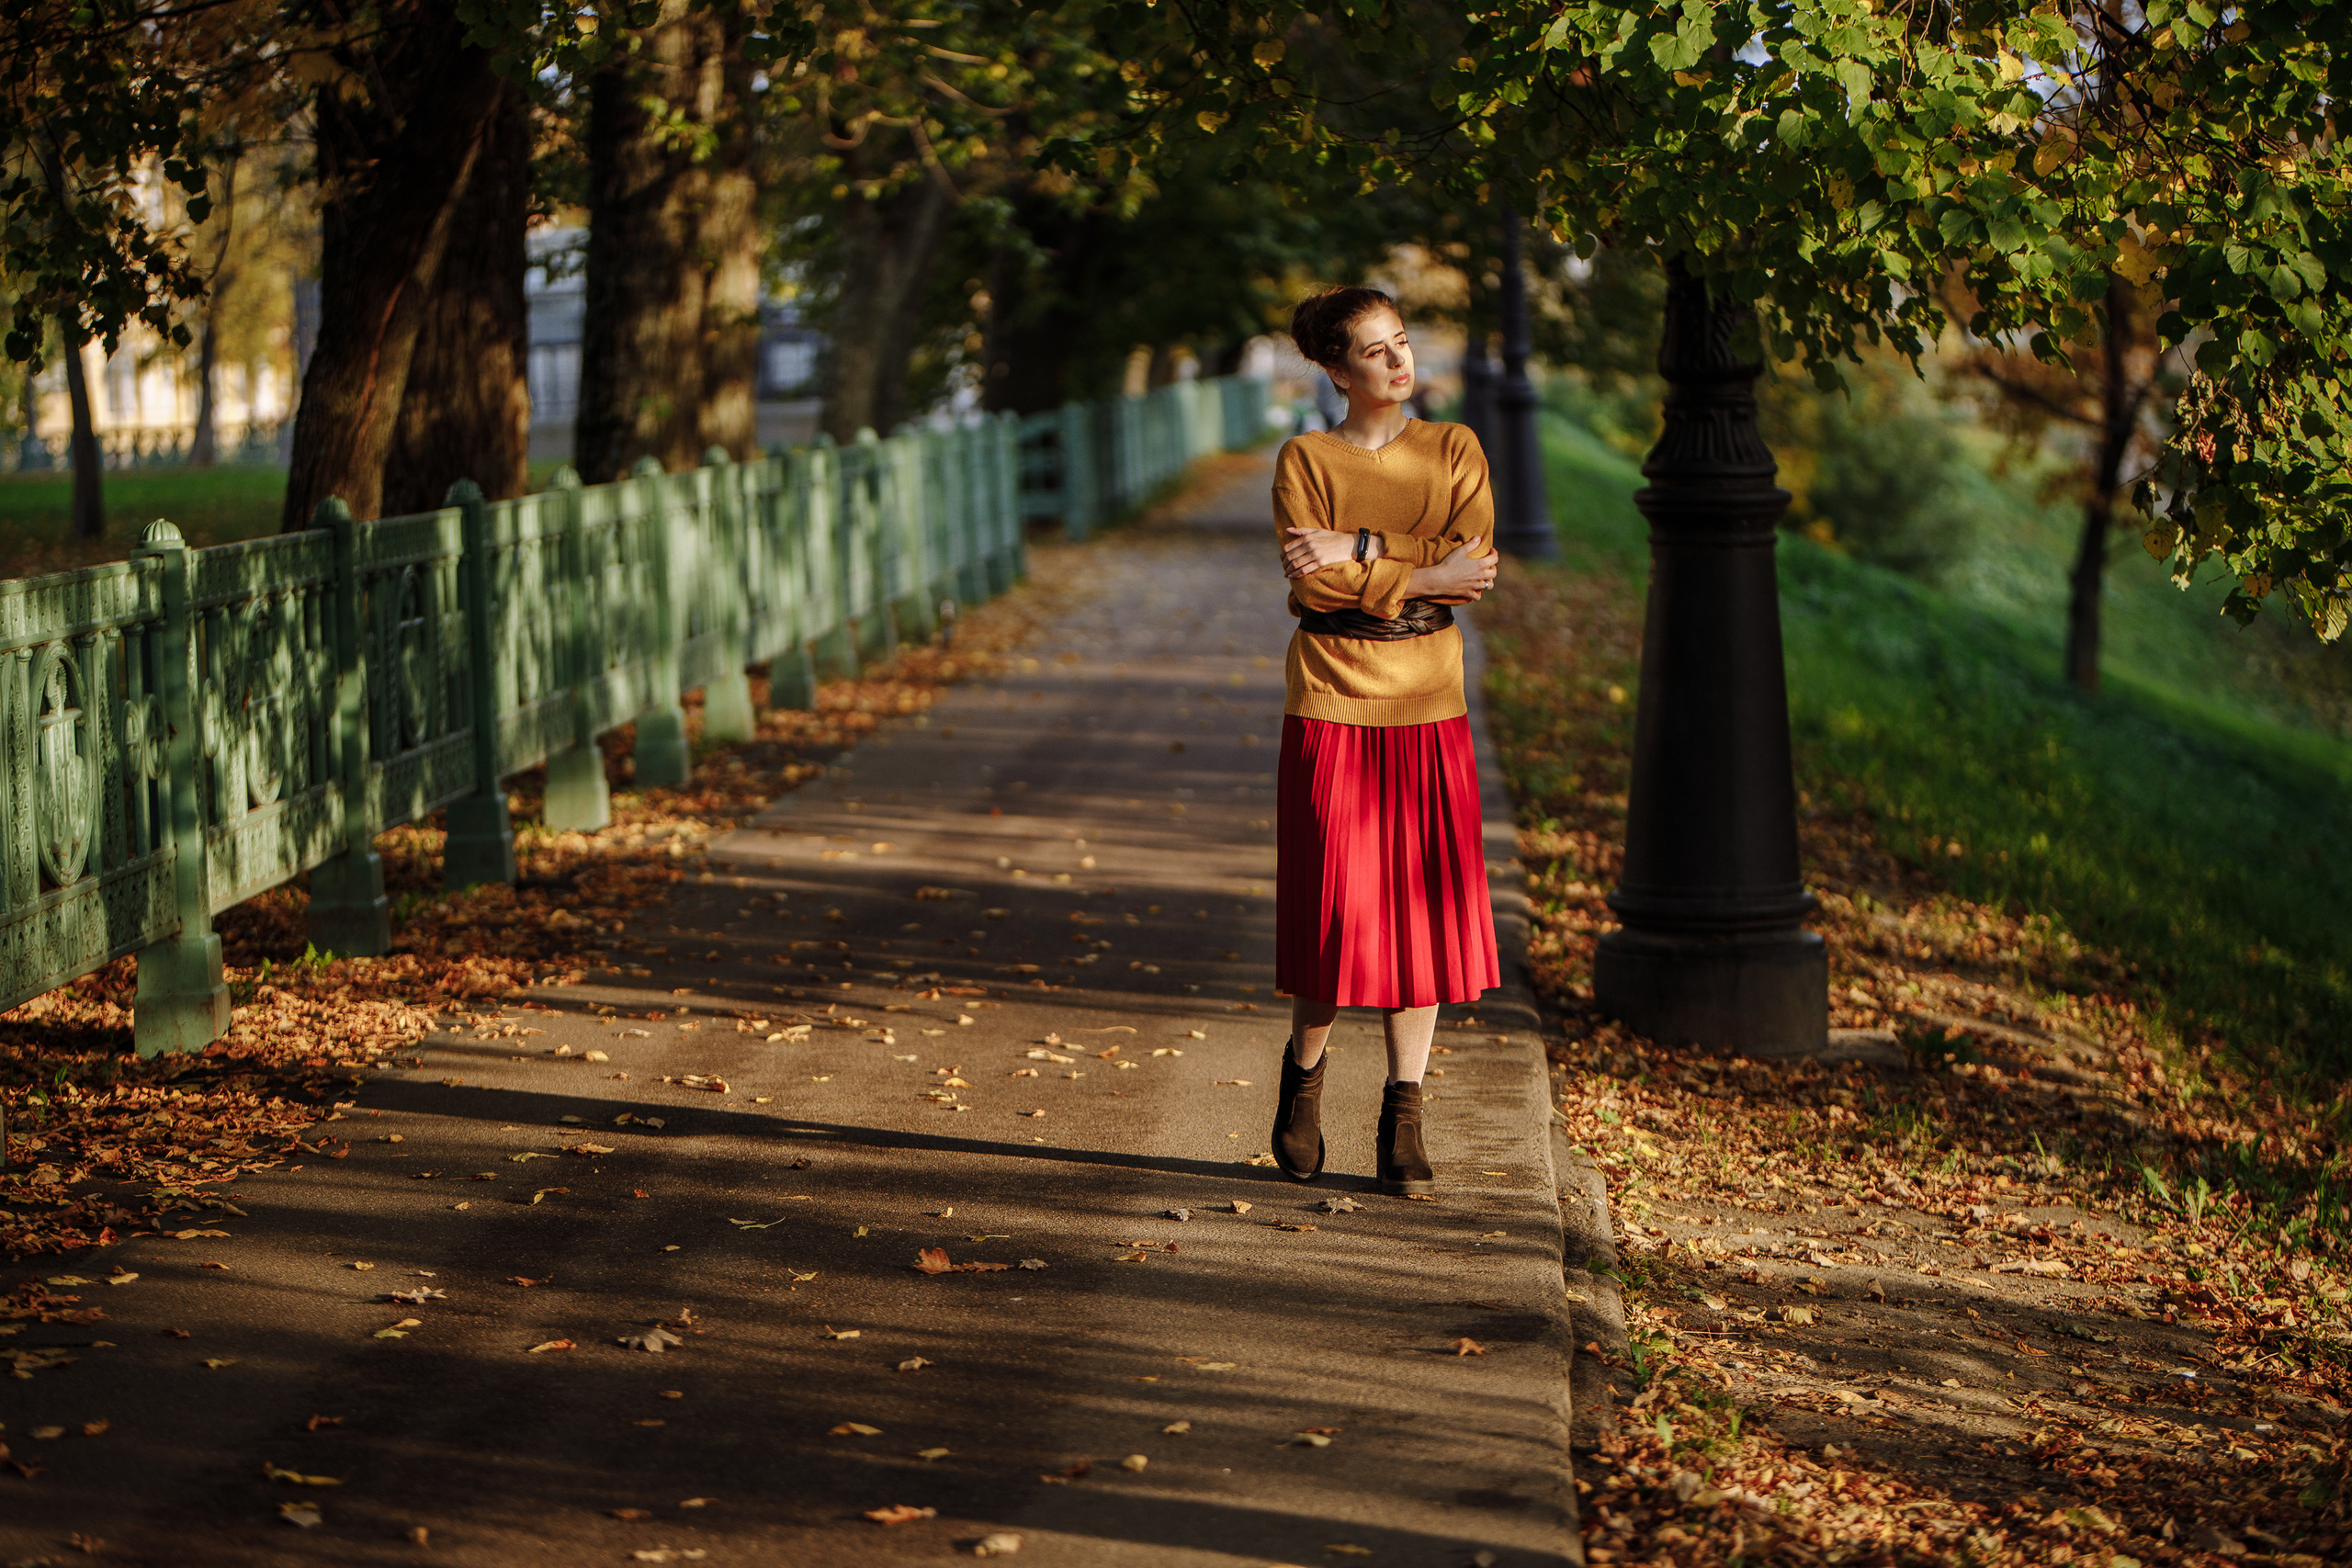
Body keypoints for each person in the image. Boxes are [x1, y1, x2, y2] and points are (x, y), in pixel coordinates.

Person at [1268, 286, 1502, 1196]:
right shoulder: (1306, 458)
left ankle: (1403, 1117)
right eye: (1374, 351)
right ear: (1336, 369)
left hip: (1428, 701)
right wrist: (1419, 566)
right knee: (1335, 909)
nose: (1399, 362)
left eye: (1400, 342)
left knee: (1419, 916)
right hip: (1331, 697)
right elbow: (1312, 588)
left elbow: (1472, 564)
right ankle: (1303, 1084)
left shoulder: (1454, 447)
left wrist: (1361, 546)